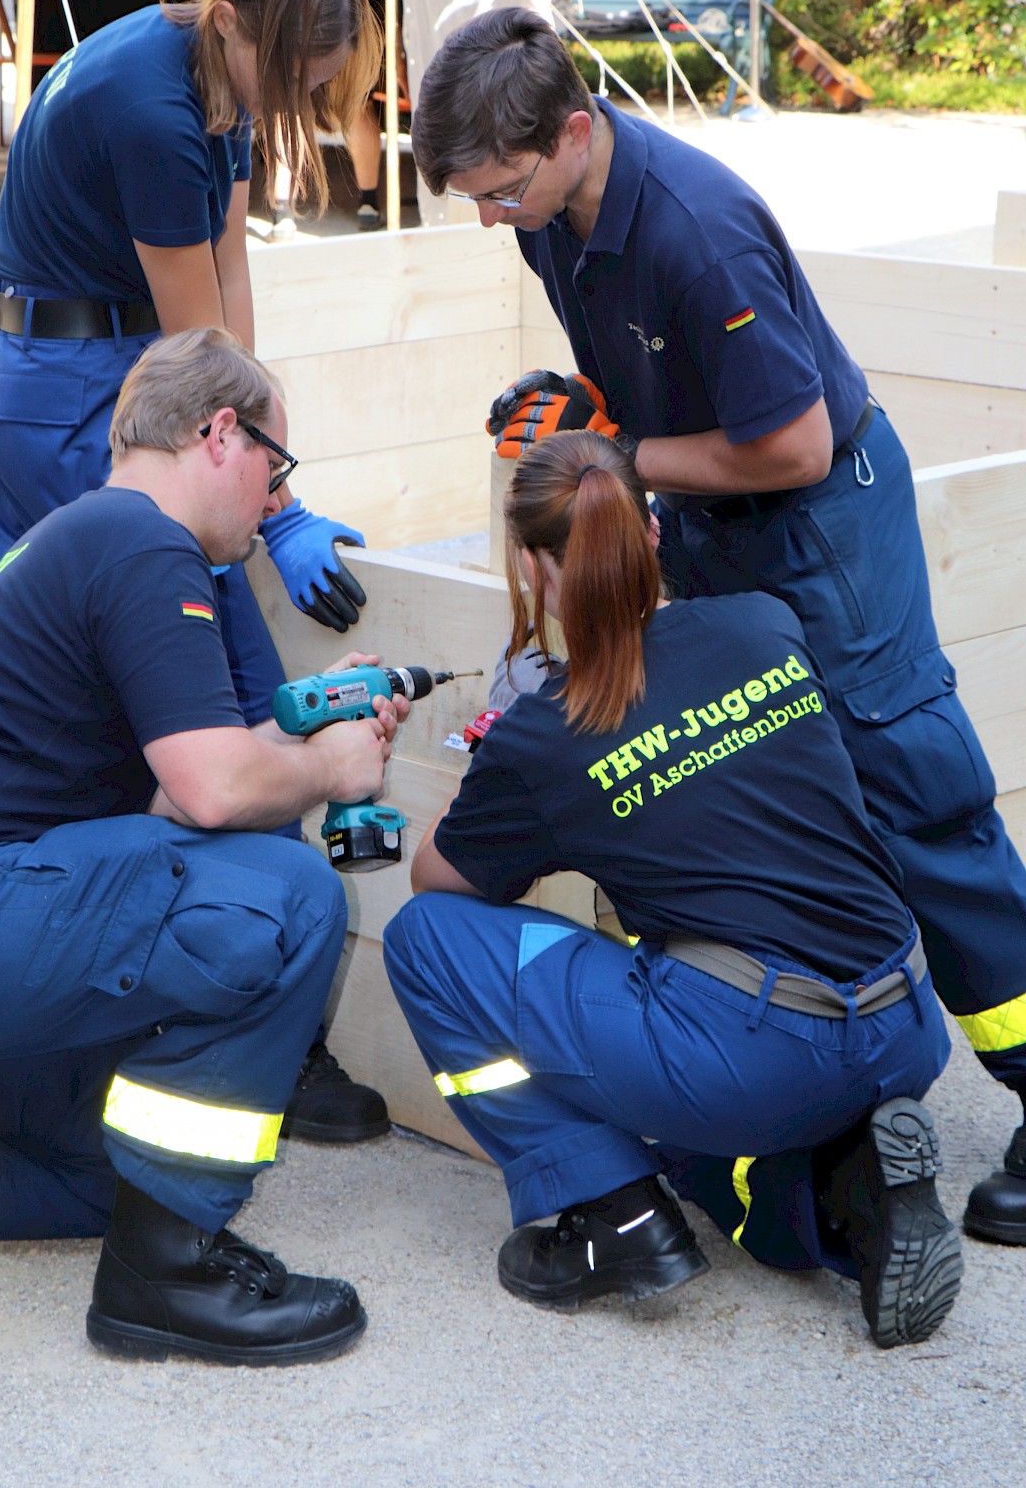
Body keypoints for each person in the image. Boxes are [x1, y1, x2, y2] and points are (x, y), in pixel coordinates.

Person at [408, 5, 1026, 1244]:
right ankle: (811, 1086)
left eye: (500, 190)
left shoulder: (695, 229)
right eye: (470, 198)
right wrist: (582, 414)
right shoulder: (558, 219)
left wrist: (621, 456)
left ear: (575, 132)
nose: (490, 217)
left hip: (819, 527)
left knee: (911, 800)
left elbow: (791, 443)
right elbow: (653, 389)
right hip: (709, 510)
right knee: (752, 792)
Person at [0, 330, 413, 1367]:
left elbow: (170, 791)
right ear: (220, 431)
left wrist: (302, 735)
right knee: (284, 896)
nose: (276, 500)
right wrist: (330, 772)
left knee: (119, 1173)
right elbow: (211, 791)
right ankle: (168, 1276)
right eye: (277, 469)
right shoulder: (142, 539)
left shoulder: (88, 535)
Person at [386, 430, 963, 1348]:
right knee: (702, 1163)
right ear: (651, 530)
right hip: (904, 1018)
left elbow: (439, 885)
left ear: (534, 569)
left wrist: (479, 770)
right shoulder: (764, 622)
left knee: (426, 941)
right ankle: (852, 1196)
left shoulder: (547, 734)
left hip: (757, 1051)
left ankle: (608, 1216)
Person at [0, 0, 387, 1138]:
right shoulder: (150, 108)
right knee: (207, 682)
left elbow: (230, 277)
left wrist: (269, 451)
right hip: (67, 391)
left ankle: (168, 1001)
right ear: (250, 25)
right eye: (300, 78)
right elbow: (197, 354)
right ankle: (216, 1018)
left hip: (74, 366)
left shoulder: (219, 64)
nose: (300, 99)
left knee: (107, 685)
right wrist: (280, 505)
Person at [265, 0, 385, 231]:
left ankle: (288, 204)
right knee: (310, 104)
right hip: (330, 1)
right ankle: (361, 200)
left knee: (303, 104)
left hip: (332, 0)